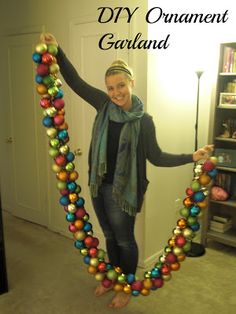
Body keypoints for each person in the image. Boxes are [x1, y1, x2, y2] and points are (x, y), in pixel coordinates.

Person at [40, 33, 213, 309]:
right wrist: (57, 50)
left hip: (123, 192)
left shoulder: (144, 121)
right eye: (110, 87)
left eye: (120, 85)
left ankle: (127, 285)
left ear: (131, 83)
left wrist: (191, 157)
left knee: (124, 239)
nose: (116, 92)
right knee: (109, 237)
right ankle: (112, 278)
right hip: (98, 184)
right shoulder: (103, 105)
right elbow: (74, 82)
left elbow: (156, 157)